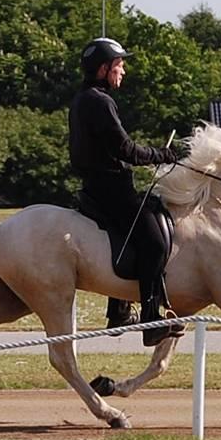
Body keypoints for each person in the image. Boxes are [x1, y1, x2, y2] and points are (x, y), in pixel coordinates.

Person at [68, 37, 183, 347]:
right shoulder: (100, 102)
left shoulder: (83, 98)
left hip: (96, 187)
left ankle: (119, 310)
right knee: (156, 243)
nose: (124, 70)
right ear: (104, 69)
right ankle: (150, 319)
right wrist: (162, 154)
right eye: (119, 65)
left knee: (139, 227)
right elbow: (127, 150)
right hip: (112, 189)